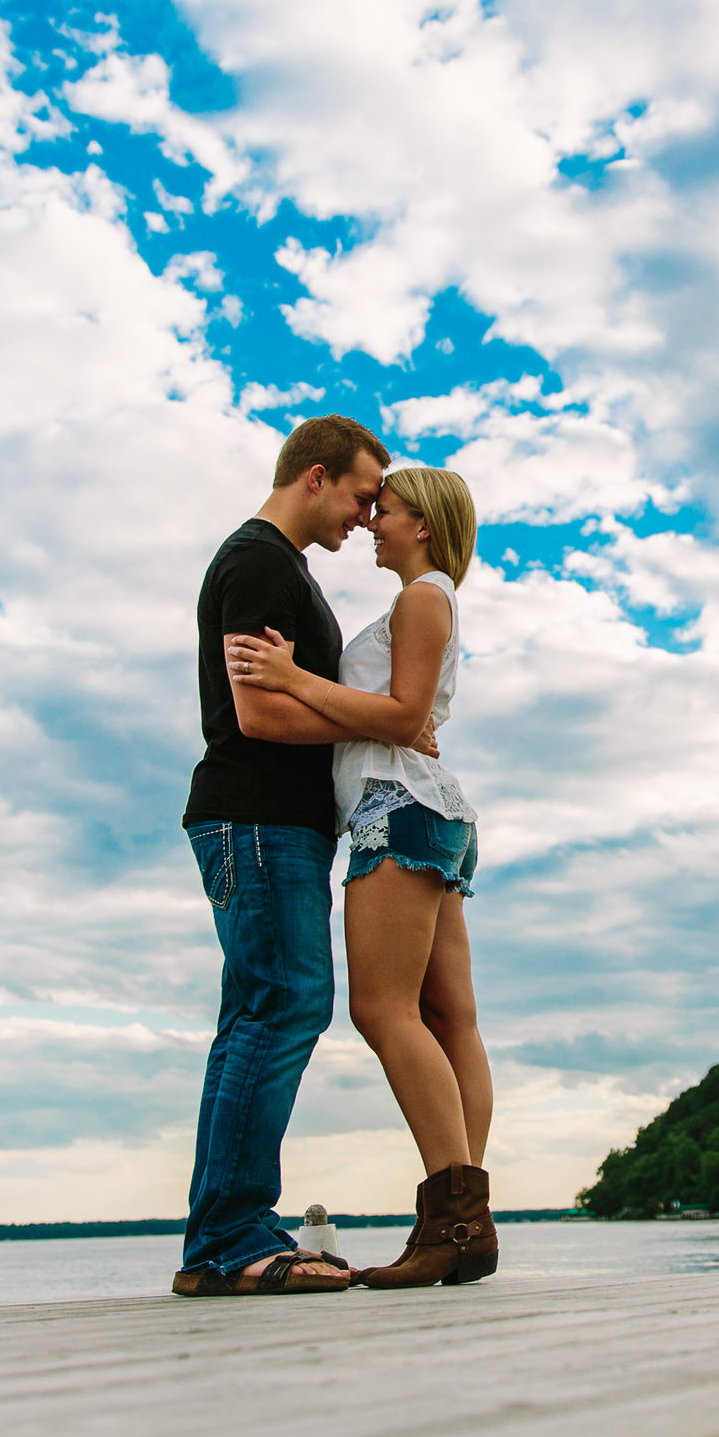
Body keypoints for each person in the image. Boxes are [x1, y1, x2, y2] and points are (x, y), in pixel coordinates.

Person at [172, 414, 433, 1298]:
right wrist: (385, 719)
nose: (366, 516)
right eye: (362, 495)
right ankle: (230, 1239)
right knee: (279, 1007)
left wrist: (338, 702)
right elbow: (259, 713)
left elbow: (297, 699)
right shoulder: (256, 562)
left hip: (279, 826)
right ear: (315, 475)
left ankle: (229, 1233)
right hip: (254, 819)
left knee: (267, 1009)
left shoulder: (286, 572)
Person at [226, 465, 494, 1288]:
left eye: (389, 510)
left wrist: (295, 678)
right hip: (429, 806)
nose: (373, 521)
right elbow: (411, 717)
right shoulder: (431, 597)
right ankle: (463, 1217)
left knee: (383, 1010)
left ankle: (455, 1220)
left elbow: (405, 715)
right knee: (452, 1018)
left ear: (424, 524)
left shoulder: (422, 597)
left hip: (395, 808)